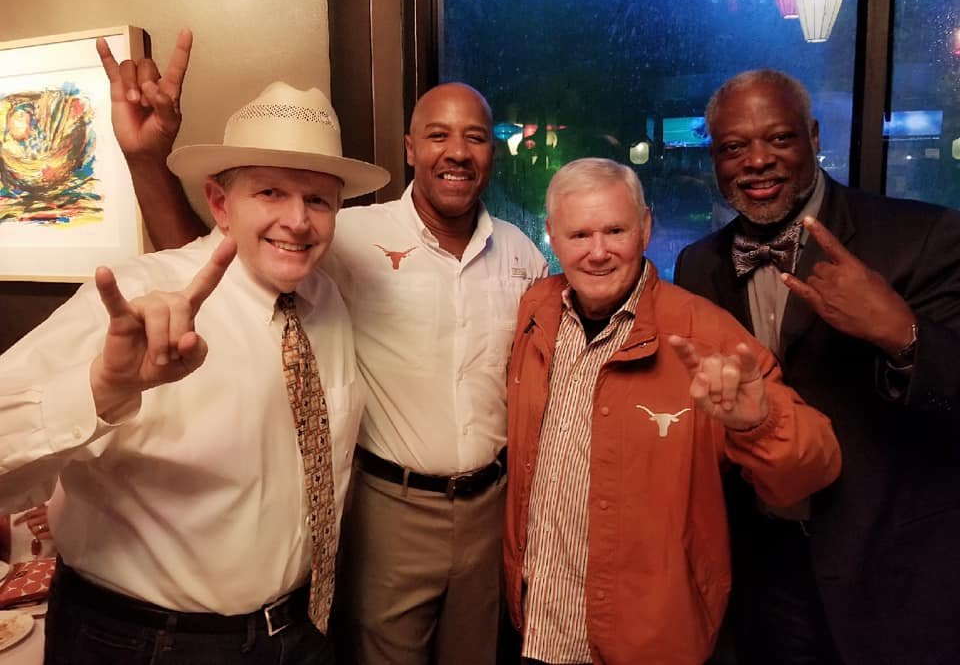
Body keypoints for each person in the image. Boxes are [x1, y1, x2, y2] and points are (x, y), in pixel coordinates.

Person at [104, 35, 549, 665]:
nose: (457, 152)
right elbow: (223, 263)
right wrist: (150, 162)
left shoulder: (522, 254)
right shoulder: (347, 235)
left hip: (490, 505)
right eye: (438, 135)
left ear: (493, 150)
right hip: (390, 507)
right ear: (411, 148)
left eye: (475, 136)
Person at [0, 68, 390, 662]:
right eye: (270, 193)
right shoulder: (136, 298)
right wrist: (102, 390)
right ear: (219, 202)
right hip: (145, 642)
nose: (298, 220)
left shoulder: (325, 302)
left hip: (297, 631)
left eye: (317, 199)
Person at [503, 157, 841, 664]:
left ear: (645, 227)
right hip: (541, 621)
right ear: (551, 235)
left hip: (652, 636)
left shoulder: (703, 332)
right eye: (579, 235)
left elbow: (815, 467)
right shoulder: (537, 310)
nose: (598, 252)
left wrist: (760, 421)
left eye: (615, 230)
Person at [674, 69, 960, 664]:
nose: (757, 161)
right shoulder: (698, 265)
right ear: (715, 157)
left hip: (888, 570)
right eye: (734, 147)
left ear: (813, 136)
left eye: (778, 139)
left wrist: (900, 333)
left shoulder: (922, 235)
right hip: (760, 569)